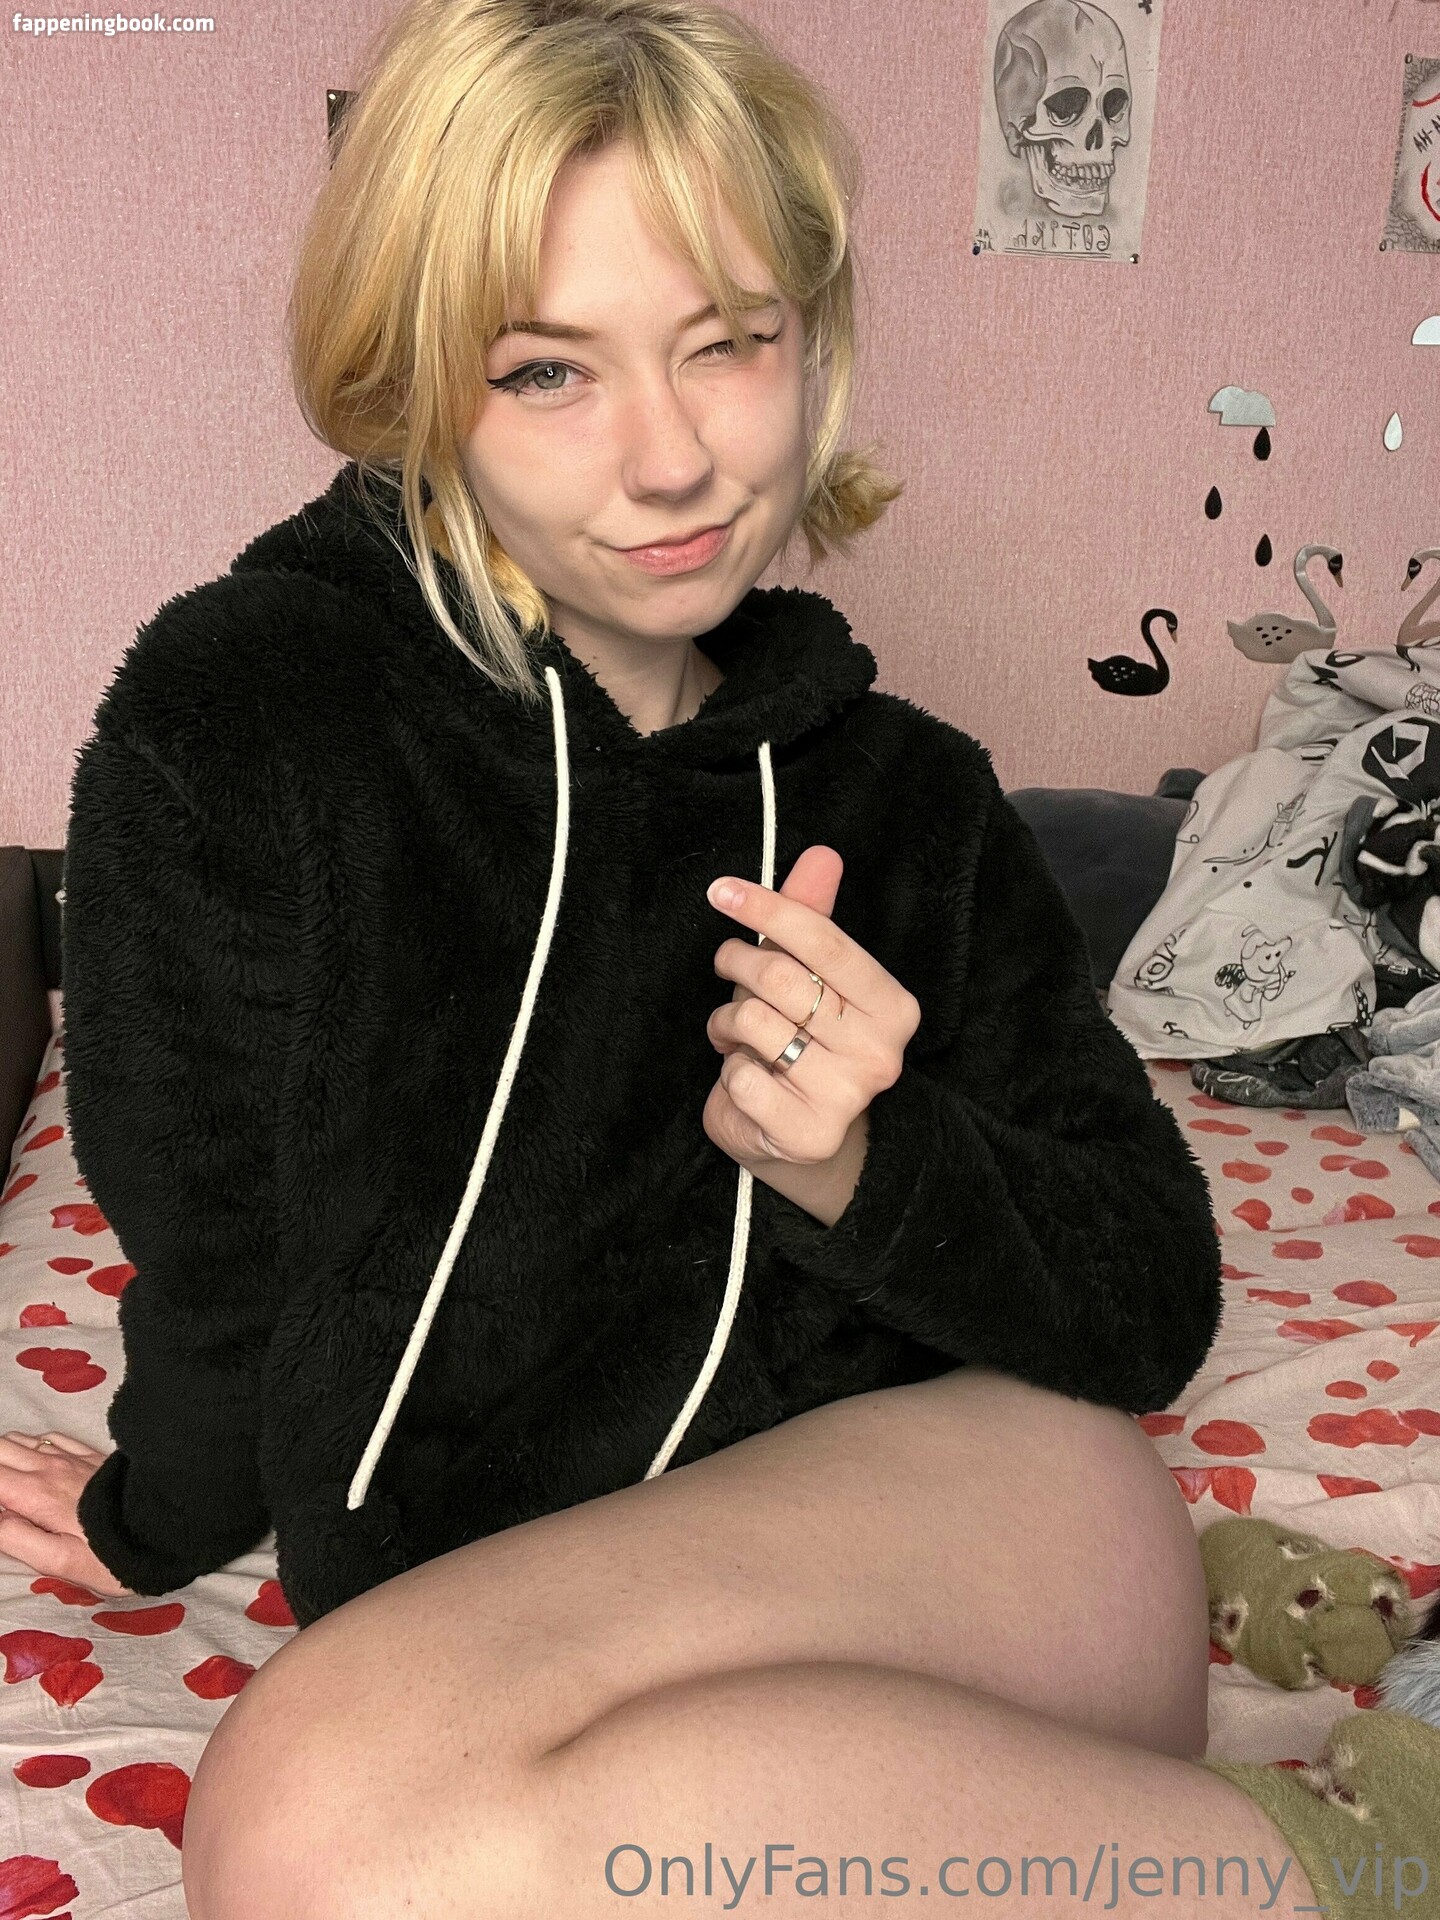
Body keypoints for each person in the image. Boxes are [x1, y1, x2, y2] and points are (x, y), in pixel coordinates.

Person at [0, 2, 1352, 1914]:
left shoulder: (909, 797)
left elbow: (1148, 1300)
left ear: (816, 340)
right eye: (548, 369)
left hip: (1003, 1538)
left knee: (303, 1826)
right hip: (545, 1661)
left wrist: (863, 1162)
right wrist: (156, 1517)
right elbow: (220, 1259)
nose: (670, 461)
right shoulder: (246, 728)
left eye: (730, 342)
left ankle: (1363, 1850)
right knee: (338, 1836)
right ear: (415, 383)